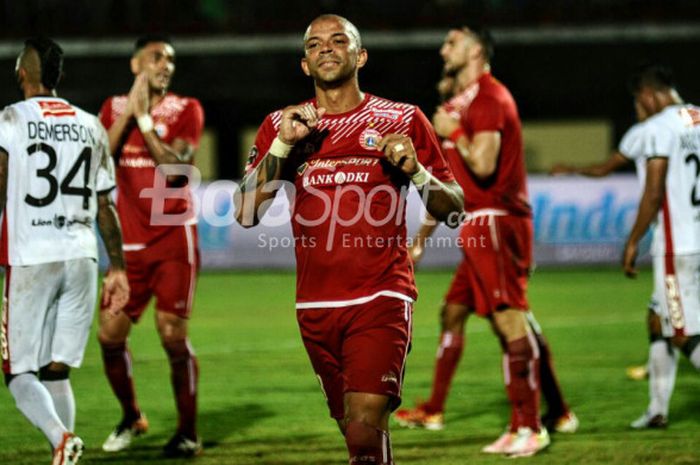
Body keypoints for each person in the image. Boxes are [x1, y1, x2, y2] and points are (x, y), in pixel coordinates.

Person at [235, 14, 463, 465]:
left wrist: (415, 171)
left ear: (360, 56)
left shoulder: (402, 119)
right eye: (315, 44)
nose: (326, 49)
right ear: (304, 64)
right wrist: (283, 146)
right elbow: (245, 212)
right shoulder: (284, 125)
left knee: (363, 428)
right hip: (315, 306)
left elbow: (454, 207)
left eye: (339, 41)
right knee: (359, 436)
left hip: (381, 295)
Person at [394, 26, 575, 457]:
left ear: (475, 51)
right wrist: (420, 240)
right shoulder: (462, 105)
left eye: (451, 42)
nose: (442, 49)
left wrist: (453, 132)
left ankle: (530, 426)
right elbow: (449, 186)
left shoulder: (491, 98)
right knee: (455, 311)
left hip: (495, 220)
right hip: (476, 222)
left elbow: (485, 164)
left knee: (509, 319)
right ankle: (442, 410)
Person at [0, 37, 129, 465]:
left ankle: (60, 436)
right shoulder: (90, 123)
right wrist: (119, 269)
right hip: (81, 256)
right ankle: (64, 453)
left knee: (18, 373)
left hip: (31, 255)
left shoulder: (11, 119)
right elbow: (105, 205)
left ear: (21, 73)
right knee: (57, 368)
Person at [97, 35, 205, 457]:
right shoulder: (112, 108)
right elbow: (102, 153)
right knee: (108, 336)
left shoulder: (186, 109)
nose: (166, 65)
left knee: (172, 335)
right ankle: (130, 416)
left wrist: (145, 122)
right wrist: (132, 112)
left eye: (171, 59)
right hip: (127, 248)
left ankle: (187, 432)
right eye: (156, 57)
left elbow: (176, 171)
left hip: (173, 241)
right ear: (135, 63)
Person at [550, 103, 661, 384]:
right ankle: (657, 380)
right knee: (661, 311)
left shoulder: (648, 131)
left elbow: (607, 169)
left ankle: (659, 371)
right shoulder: (691, 121)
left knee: (665, 314)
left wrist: (572, 169)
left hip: (678, 236)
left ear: (646, 97)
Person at [623, 64, 700, 429]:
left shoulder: (657, 129)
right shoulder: (698, 118)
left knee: (680, 331)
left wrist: (634, 240)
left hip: (677, 248)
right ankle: (657, 410)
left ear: (649, 95)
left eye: (640, 100)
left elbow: (653, 193)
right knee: (657, 319)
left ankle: (657, 409)